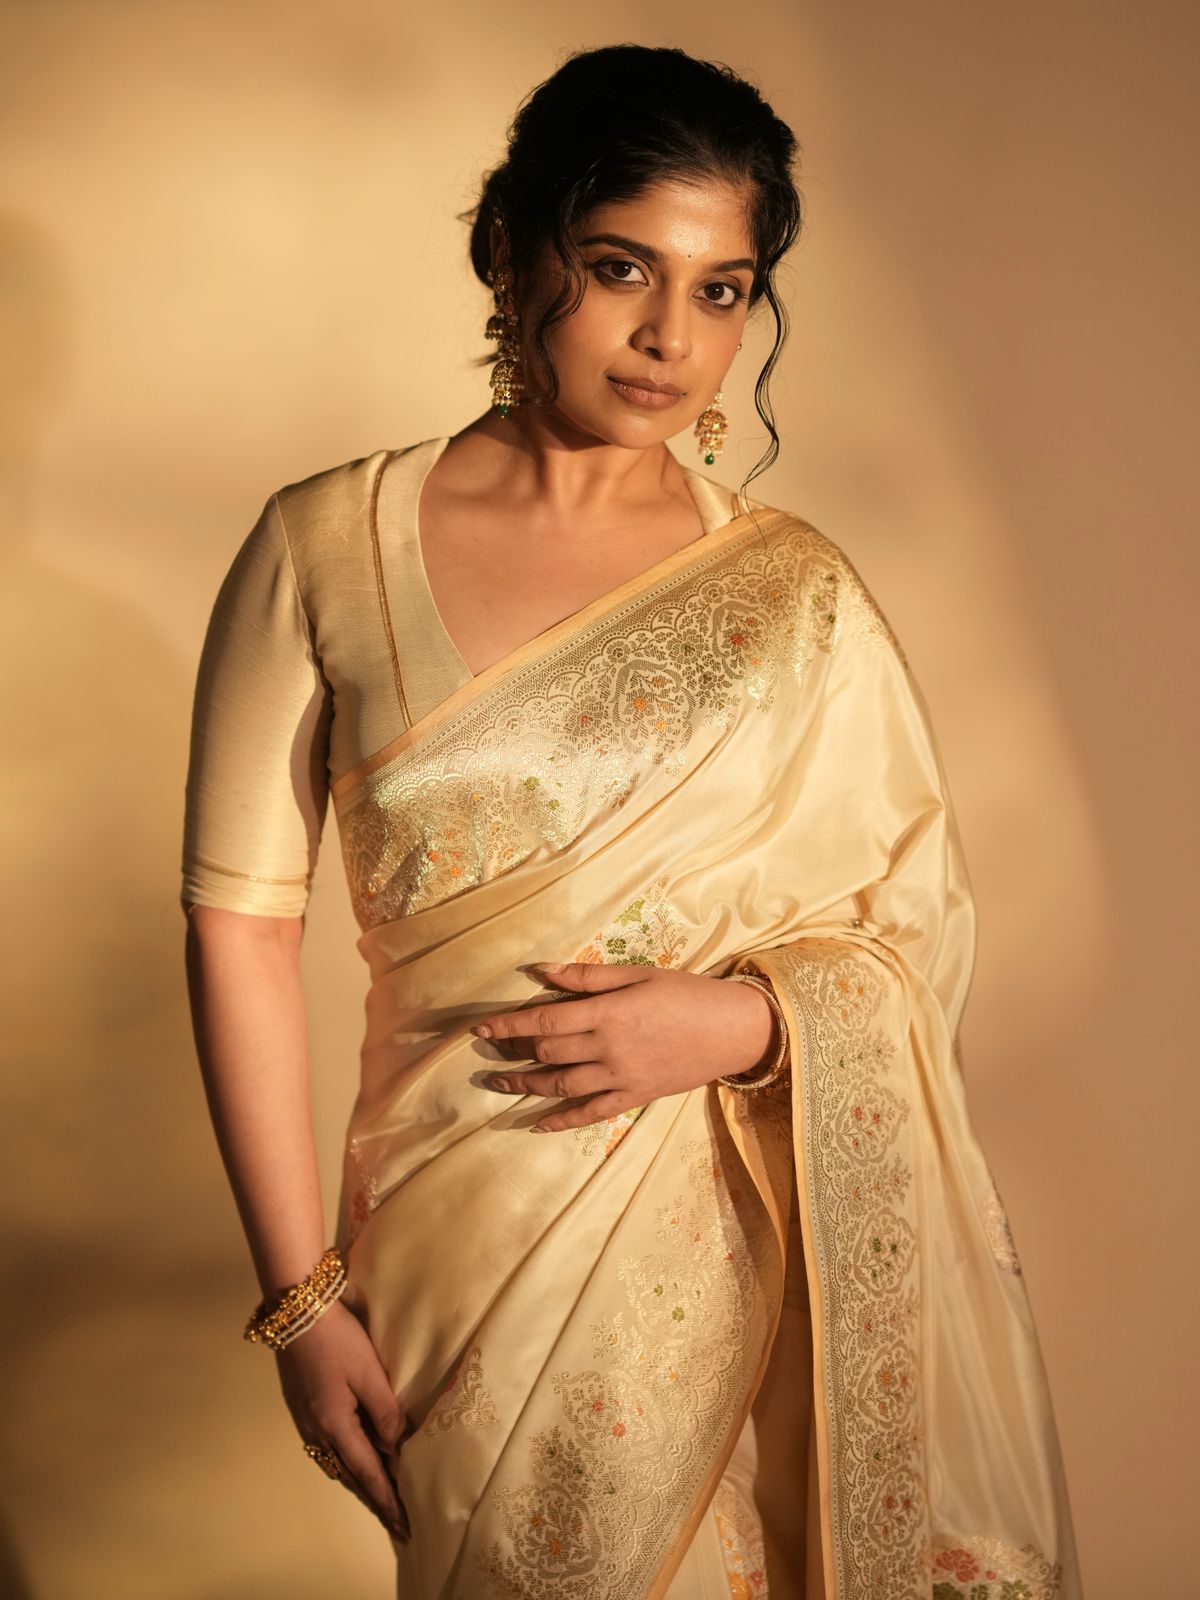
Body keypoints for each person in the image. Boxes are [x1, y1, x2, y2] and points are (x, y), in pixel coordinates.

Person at [181, 43, 1082, 1600]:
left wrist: (739, 1022)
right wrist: (299, 1302)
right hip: (462, 1244)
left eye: (723, 290)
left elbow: (915, 933)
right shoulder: (321, 548)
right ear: (509, 252)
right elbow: (239, 929)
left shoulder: (795, 600)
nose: (672, 337)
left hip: (737, 1243)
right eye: (620, 270)